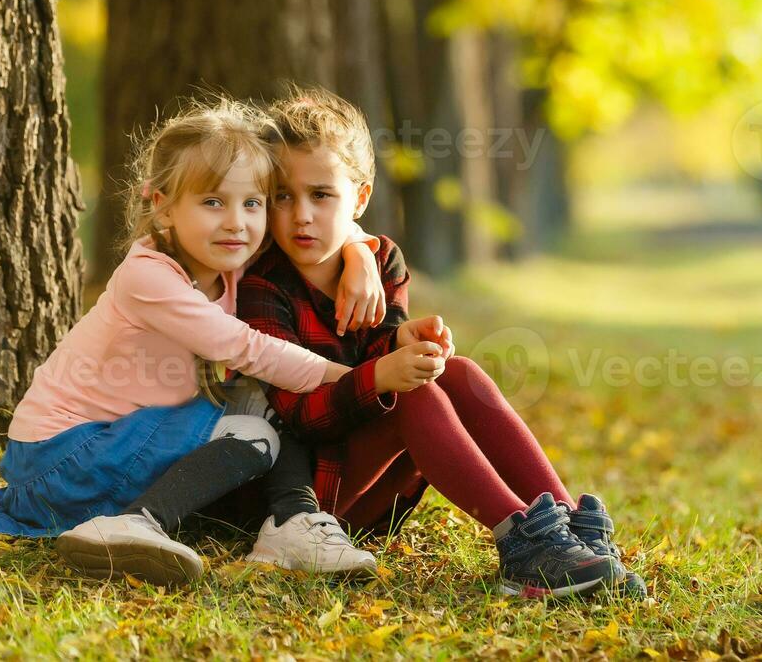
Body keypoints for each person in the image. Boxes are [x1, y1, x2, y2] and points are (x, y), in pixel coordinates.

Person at [236, 87, 647, 598]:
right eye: (282, 196)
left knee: (461, 372)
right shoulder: (261, 285)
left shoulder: (382, 260)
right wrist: (384, 373)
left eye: (321, 195)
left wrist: (401, 338)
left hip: (374, 482)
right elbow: (295, 415)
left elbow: (380, 346)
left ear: (360, 198)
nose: (301, 215)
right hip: (308, 503)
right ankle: (522, 545)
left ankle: (566, 529)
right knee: (416, 390)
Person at [0, 99, 384, 585]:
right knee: (256, 427)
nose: (236, 222)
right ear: (161, 203)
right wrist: (356, 379)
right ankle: (134, 523)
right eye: (212, 202)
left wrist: (360, 250)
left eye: (252, 203)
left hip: (112, 442)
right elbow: (247, 348)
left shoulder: (228, 258)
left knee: (258, 401)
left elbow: (314, 226)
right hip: (60, 457)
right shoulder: (148, 276)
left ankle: (290, 522)